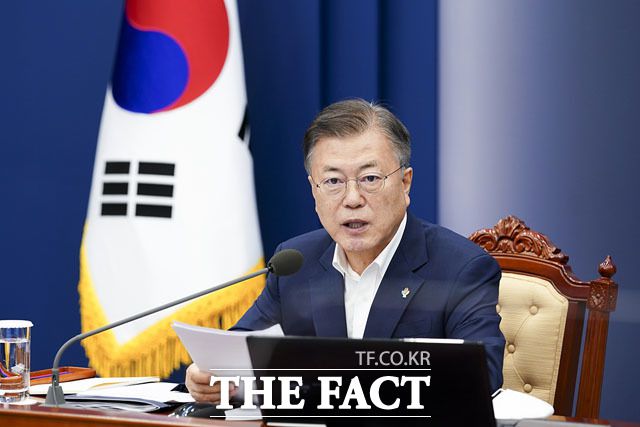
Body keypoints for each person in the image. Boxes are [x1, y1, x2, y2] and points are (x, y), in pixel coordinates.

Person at [185, 99, 505, 403]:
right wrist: (211, 374)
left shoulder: (460, 268)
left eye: (370, 178)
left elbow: (480, 379)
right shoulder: (295, 263)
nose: (352, 199)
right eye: (333, 181)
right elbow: (235, 354)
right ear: (314, 190)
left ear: (405, 183)